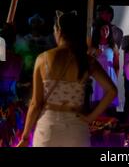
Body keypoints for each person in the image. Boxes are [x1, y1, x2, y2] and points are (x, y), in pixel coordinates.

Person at [17, 11, 117, 147]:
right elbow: (112, 91)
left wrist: (25, 137)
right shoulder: (86, 60)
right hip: (77, 129)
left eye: (54, 30)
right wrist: (90, 118)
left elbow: (36, 104)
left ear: (59, 31)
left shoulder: (43, 59)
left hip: (48, 128)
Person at [89, 20, 119, 115]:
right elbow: (87, 63)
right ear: (98, 31)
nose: (105, 31)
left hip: (110, 76)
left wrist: (115, 80)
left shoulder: (113, 46)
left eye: (107, 29)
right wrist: (93, 54)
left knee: (109, 105)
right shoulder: (92, 46)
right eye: (103, 29)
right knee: (97, 103)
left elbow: (116, 65)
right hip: (96, 78)